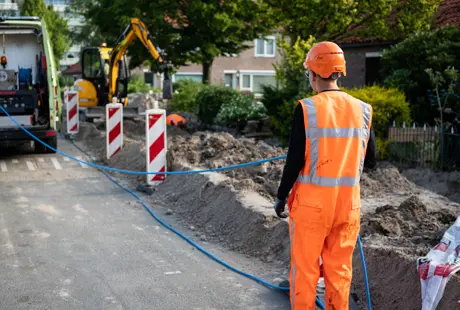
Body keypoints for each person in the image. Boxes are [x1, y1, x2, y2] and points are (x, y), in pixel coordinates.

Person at [273, 41, 378, 310]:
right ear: (339, 73)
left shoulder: (308, 108)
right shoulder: (363, 110)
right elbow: (372, 162)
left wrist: (281, 196)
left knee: (305, 271)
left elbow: (294, 161)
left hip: (312, 208)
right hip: (347, 208)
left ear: (314, 73)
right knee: (340, 272)